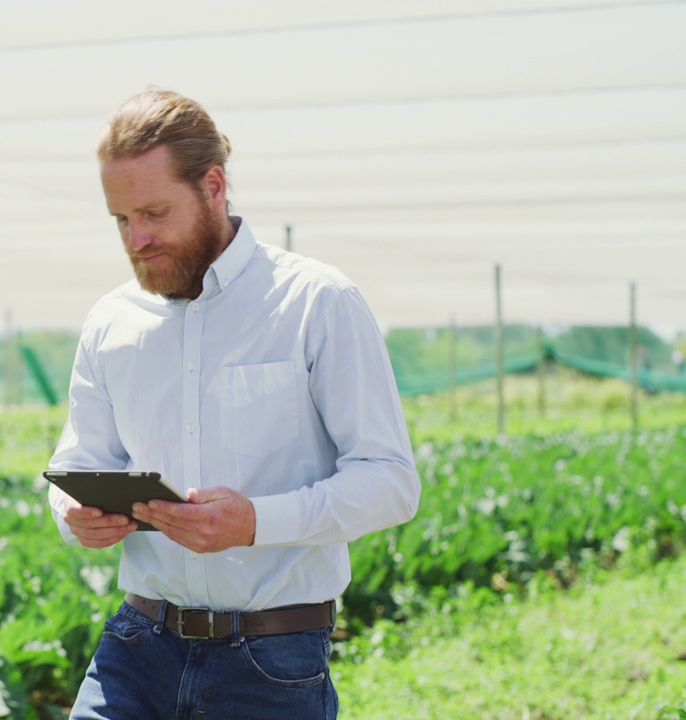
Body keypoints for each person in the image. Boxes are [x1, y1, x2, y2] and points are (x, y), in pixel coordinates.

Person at [46, 89, 422, 719]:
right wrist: (74, 514)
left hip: (271, 659)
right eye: (120, 219)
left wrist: (256, 523)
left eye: (155, 213)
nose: (137, 238)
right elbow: (77, 461)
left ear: (213, 186)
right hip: (137, 647)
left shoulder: (315, 302)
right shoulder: (112, 321)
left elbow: (390, 483)